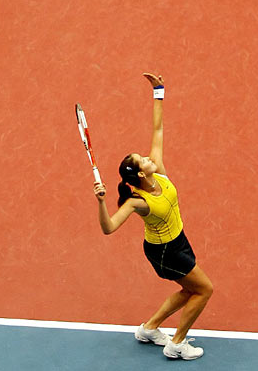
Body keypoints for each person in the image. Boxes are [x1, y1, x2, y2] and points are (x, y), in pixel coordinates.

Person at [94, 72, 213, 361]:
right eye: (143, 160)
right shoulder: (138, 202)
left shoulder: (156, 169)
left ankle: (149, 329)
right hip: (164, 251)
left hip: (179, 239)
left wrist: (158, 92)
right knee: (204, 290)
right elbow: (109, 228)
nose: (149, 158)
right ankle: (177, 344)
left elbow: (157, 129)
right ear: (140, 174)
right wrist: (101, 201)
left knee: (190, 289)